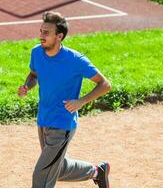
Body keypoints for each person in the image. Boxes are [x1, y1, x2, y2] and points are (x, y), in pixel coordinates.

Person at [18, 11, 112, 188]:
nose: (41, 36)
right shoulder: (37, 53)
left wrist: (82, 101)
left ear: (59, 36)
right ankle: (97, 172)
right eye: (41, 31)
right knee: (57, 168)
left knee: (41, 175)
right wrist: (27, 86)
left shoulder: (75, 60)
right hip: (43, 119)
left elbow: (105, 84)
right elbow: (33, 74)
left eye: (46, 33)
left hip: (63, 123)